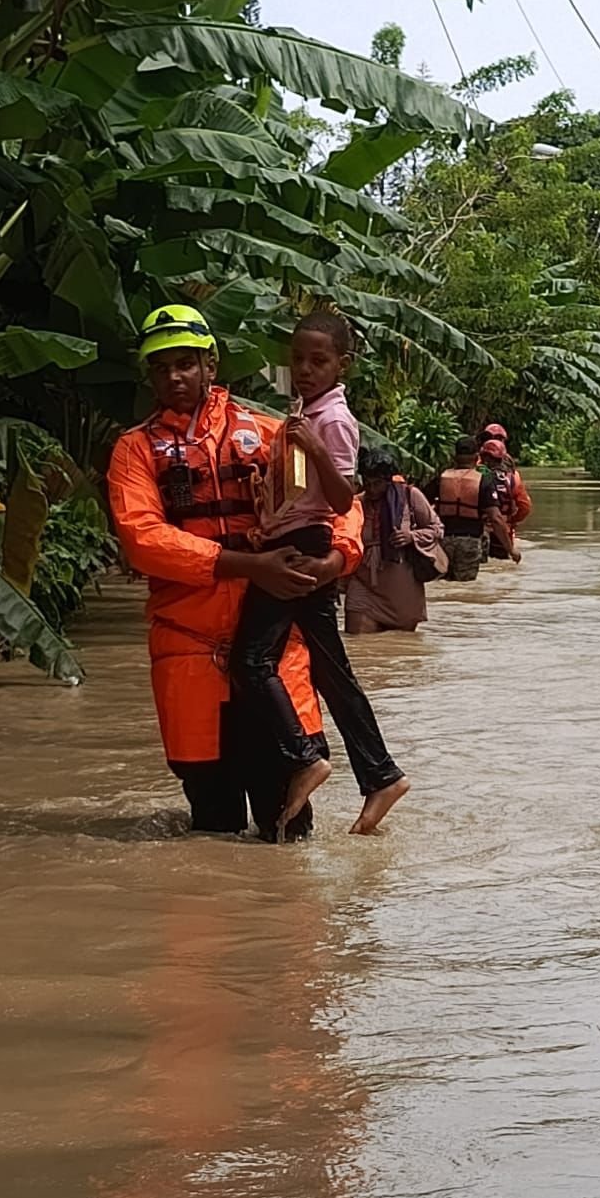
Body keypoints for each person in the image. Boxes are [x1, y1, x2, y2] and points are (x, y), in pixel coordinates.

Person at [107, 304, 363, 842]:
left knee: (289, 827)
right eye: (161, 367)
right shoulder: (135, 451)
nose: (174, 377)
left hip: (273, 648)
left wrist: (335, 561)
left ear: (210, 365)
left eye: (185, 363)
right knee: (212, 823)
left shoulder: (271, 431)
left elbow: (341, 504)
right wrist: (250, 566)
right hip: (188, 652)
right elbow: (143, 538)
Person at [231, 310, 411, 837]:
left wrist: (313, 447)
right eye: (298, 360)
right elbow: (298, 491)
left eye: (319, 361)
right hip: (292, 538)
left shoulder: (331, 420)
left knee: (251, 659)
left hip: (303, 546)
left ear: (342, 365)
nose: (306, 370)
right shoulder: (304, 410)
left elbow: (339, 499)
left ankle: (304, 756)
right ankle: (382, 776)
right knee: (332, 672)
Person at [345, 448, 445, 634]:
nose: (371, 489)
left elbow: (437, 529)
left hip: (401, 588)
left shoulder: (410, 496)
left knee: (401, 645)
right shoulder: (356, 503)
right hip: (363, 583)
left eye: (377, 483)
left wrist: (411, 537)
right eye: (367, 483)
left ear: (389, 480)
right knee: (357, 641)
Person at [426, 435, 514, 581]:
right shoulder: (483, 481)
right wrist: (511, 549)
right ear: (476, 457)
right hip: (469, 541)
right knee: (465, 586)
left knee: (442, 581)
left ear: (454, 457)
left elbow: (420, 505)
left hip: (443, 541)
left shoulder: (441, 478)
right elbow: (496, 518)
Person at [480, 435, 532, 560]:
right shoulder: (513, 478)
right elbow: (525, 507)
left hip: (478, 530)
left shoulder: (474, 475)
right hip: (503, 531)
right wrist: (511, 520)